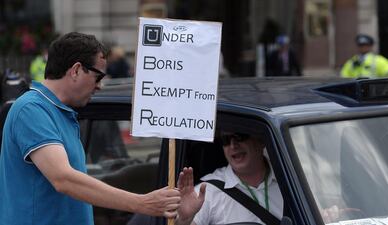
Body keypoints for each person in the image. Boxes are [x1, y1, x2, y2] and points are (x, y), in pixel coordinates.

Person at [0, 32, 181, 225]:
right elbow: (63, 179)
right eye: (98, 77)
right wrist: (142, 203)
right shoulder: (31, 109)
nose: (100, 86)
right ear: (76, 70)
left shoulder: (60, 112)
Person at [176, 132, 284, 225]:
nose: (233, 145)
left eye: (239, 137)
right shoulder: (206, 192)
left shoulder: (289, 179)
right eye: (226, 140)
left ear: (261, 140)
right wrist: (184, 220)